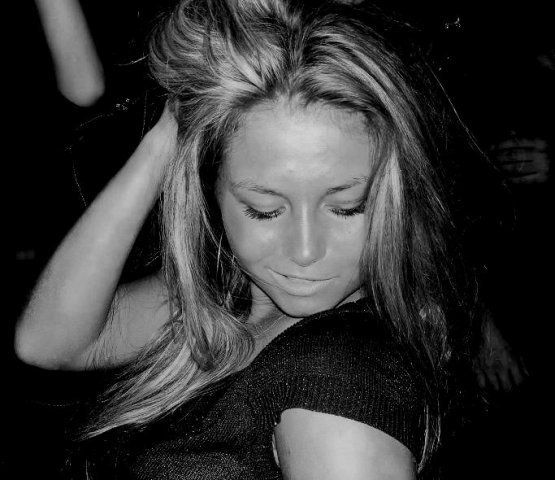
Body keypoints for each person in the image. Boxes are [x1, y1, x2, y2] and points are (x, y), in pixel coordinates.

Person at [14, 1, 479, 478]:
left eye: (348, 207)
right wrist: (166, 139)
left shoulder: (341, 377)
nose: (305, 252)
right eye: (264, 209)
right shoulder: (231, 300)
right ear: (213, 192)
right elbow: (50, 342)